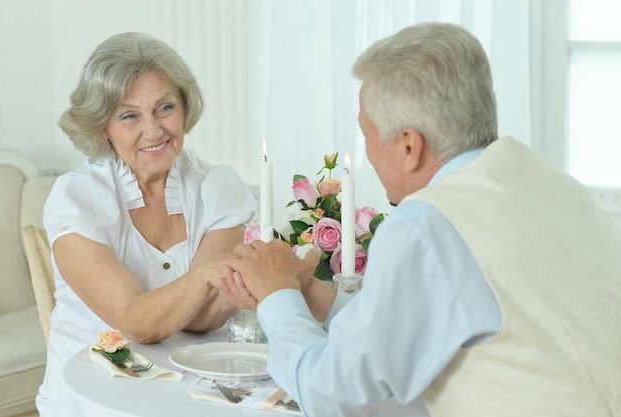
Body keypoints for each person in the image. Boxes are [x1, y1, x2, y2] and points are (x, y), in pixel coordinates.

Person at [217, 22, 621, 417]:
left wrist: (276, 298)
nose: (367, 150)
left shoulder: (428, 223)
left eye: (367, 133)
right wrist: (314, 296)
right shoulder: (553, 184)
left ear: (409, 145)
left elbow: (333, 398)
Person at [36, 32, 255, 415]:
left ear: (185, 107)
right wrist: (213, 274)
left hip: (187, 389)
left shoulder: (217, 186)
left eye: (165, 107)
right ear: (103, 126)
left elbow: (202, 317)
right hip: (93, 397)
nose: (153, 132)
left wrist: (247, 288)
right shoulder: (77, 198)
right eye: (129, 115)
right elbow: (136, 322)